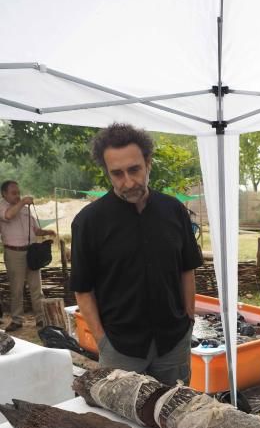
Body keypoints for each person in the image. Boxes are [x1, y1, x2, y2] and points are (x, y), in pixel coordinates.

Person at [70, 123, 203, 385]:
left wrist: (188, 317)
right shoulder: (89, 222)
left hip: (173, 343)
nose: (128, 182)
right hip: (120, 348)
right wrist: (103, 342)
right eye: (117, 174)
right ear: (107, 173)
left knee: (172, 414)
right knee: (123, 423)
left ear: (148, 163)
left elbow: (187, 268)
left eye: (134, 170)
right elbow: (83, 291)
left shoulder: (173, 210)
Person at [0, 181, 56, 332]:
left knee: (36, 288)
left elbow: (35, 230)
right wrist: (23, 201)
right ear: (4, 194)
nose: (17, 196)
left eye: (18, 192)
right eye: (13, 193)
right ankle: (17, 320)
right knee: (16, 289)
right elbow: (8, 215)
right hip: (14, 252)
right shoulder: (2, 206)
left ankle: (41, 318)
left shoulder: (25, 209)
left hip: (31, 252)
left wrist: (47, 232)